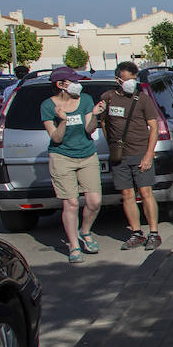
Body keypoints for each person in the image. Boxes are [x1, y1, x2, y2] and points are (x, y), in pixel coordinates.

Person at [98, 61, 162, 251]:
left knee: (145, 193)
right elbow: (103, 122)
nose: (131, 83)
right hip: (120, 156)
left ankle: (153, 233)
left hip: (140, 152)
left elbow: (154, 128)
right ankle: (136, 233)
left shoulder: (142, 99)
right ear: (118, 79)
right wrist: (112, 143)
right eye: (127, 79)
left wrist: (149, 154)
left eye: (134, 79)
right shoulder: (108, 98)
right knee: (127, 195)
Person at [42, 66, 102, 264]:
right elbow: (56, 139)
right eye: (72, 81)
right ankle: (74, 245)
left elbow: (89, 129)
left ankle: (85, 232)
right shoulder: (47, 106)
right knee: (71, 203)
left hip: (86, 154)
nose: (78, 85)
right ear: (61, 85)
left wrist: (95, 115)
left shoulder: (84, 100)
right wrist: (62, 121)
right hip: (62, 157)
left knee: (94, 201)